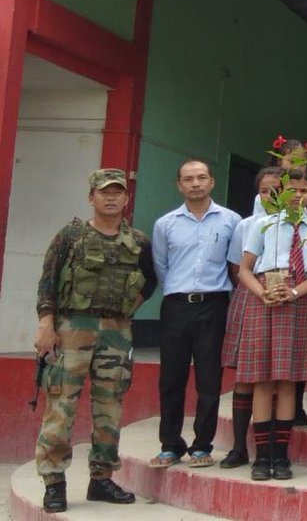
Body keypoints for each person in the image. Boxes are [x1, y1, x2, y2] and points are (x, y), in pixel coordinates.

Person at [33, 169, 156, 513]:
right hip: (72, 326)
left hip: (116, 331)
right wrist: (46, 325)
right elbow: (47, 282)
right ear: (92, 197)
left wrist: (124, 311)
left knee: (110, 405)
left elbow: (150, 282)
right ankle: (54, 482)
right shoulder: (70, 236)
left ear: (126, 199)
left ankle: (101, 479)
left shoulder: (139, 241)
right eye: (104, 192)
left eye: (118, 192)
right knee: (61, 405)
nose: (111, 197)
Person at [236, 168, 307, 482]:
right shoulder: (263, 225)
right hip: (264, 299)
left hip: (299, 300)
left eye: (304, 191)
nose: (297, 197)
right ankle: (261, 457)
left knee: (288, 381)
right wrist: (263, 293)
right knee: (263, 380)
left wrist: (294, 292)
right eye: (291, 191)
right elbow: (245, 270)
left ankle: (281, 455)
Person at [150, 160, 241, 470]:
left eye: (202, 177)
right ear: (179, 185)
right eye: (188, 179)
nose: (196, 184)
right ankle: (170, 444)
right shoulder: (165, 224)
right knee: (171, 379)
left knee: (209, 378)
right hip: (176, 305)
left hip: (214, 305)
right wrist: (178, 292)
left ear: (212, 181)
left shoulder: (231, 221)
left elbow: (235, 265)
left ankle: (202, 445)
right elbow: (161, 266)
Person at [220, 166, 283, 469]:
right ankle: (238, 447)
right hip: (251, 296)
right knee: (247, 376)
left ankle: (273, 448)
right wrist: (258, 291)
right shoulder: (247, 225)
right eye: (264, 190)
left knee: (276, 377)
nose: (271, 196)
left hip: (283, 296)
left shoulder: (297, 226)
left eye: (276, 189)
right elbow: (237, 268)